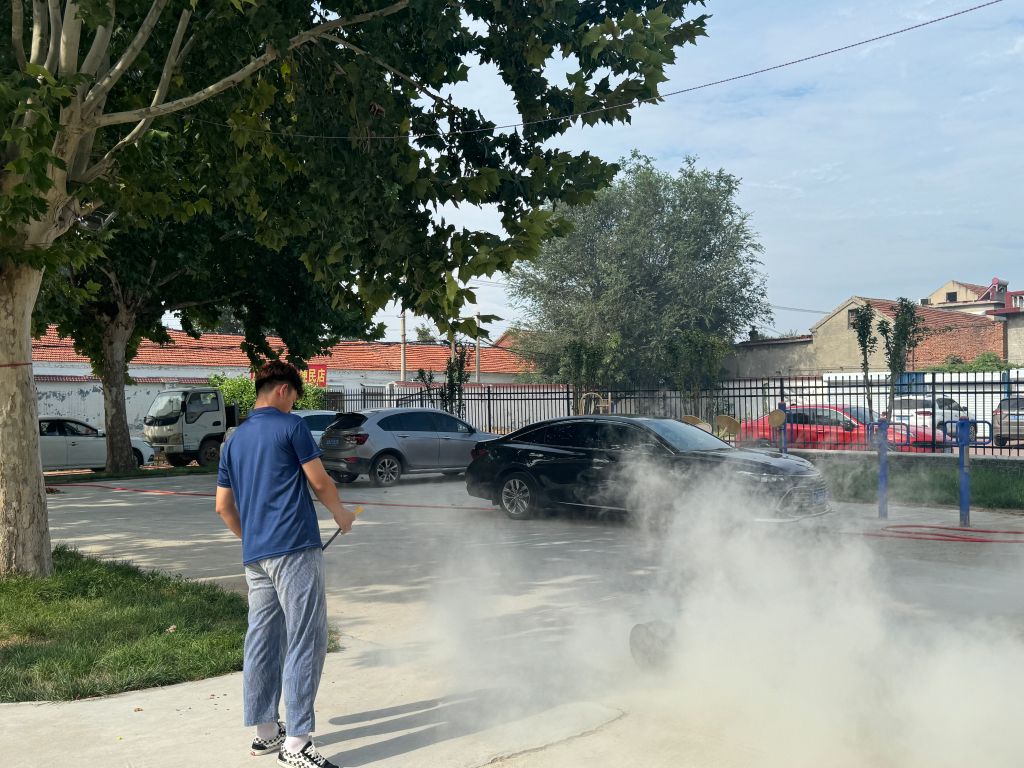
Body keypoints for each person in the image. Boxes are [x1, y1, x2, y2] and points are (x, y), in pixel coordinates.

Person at [215, 360, 356, 768]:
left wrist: (253, 539)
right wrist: (341, 515)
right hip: (294, 547)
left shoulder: (233, 441)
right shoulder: (291, 427)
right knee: (306, 638)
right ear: (282, 390)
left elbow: (223, 507)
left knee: (262, 638)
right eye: (295, 396)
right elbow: (319, 480)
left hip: (256, 556)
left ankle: (265, 732)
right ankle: (296, 743)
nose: (294, 404)